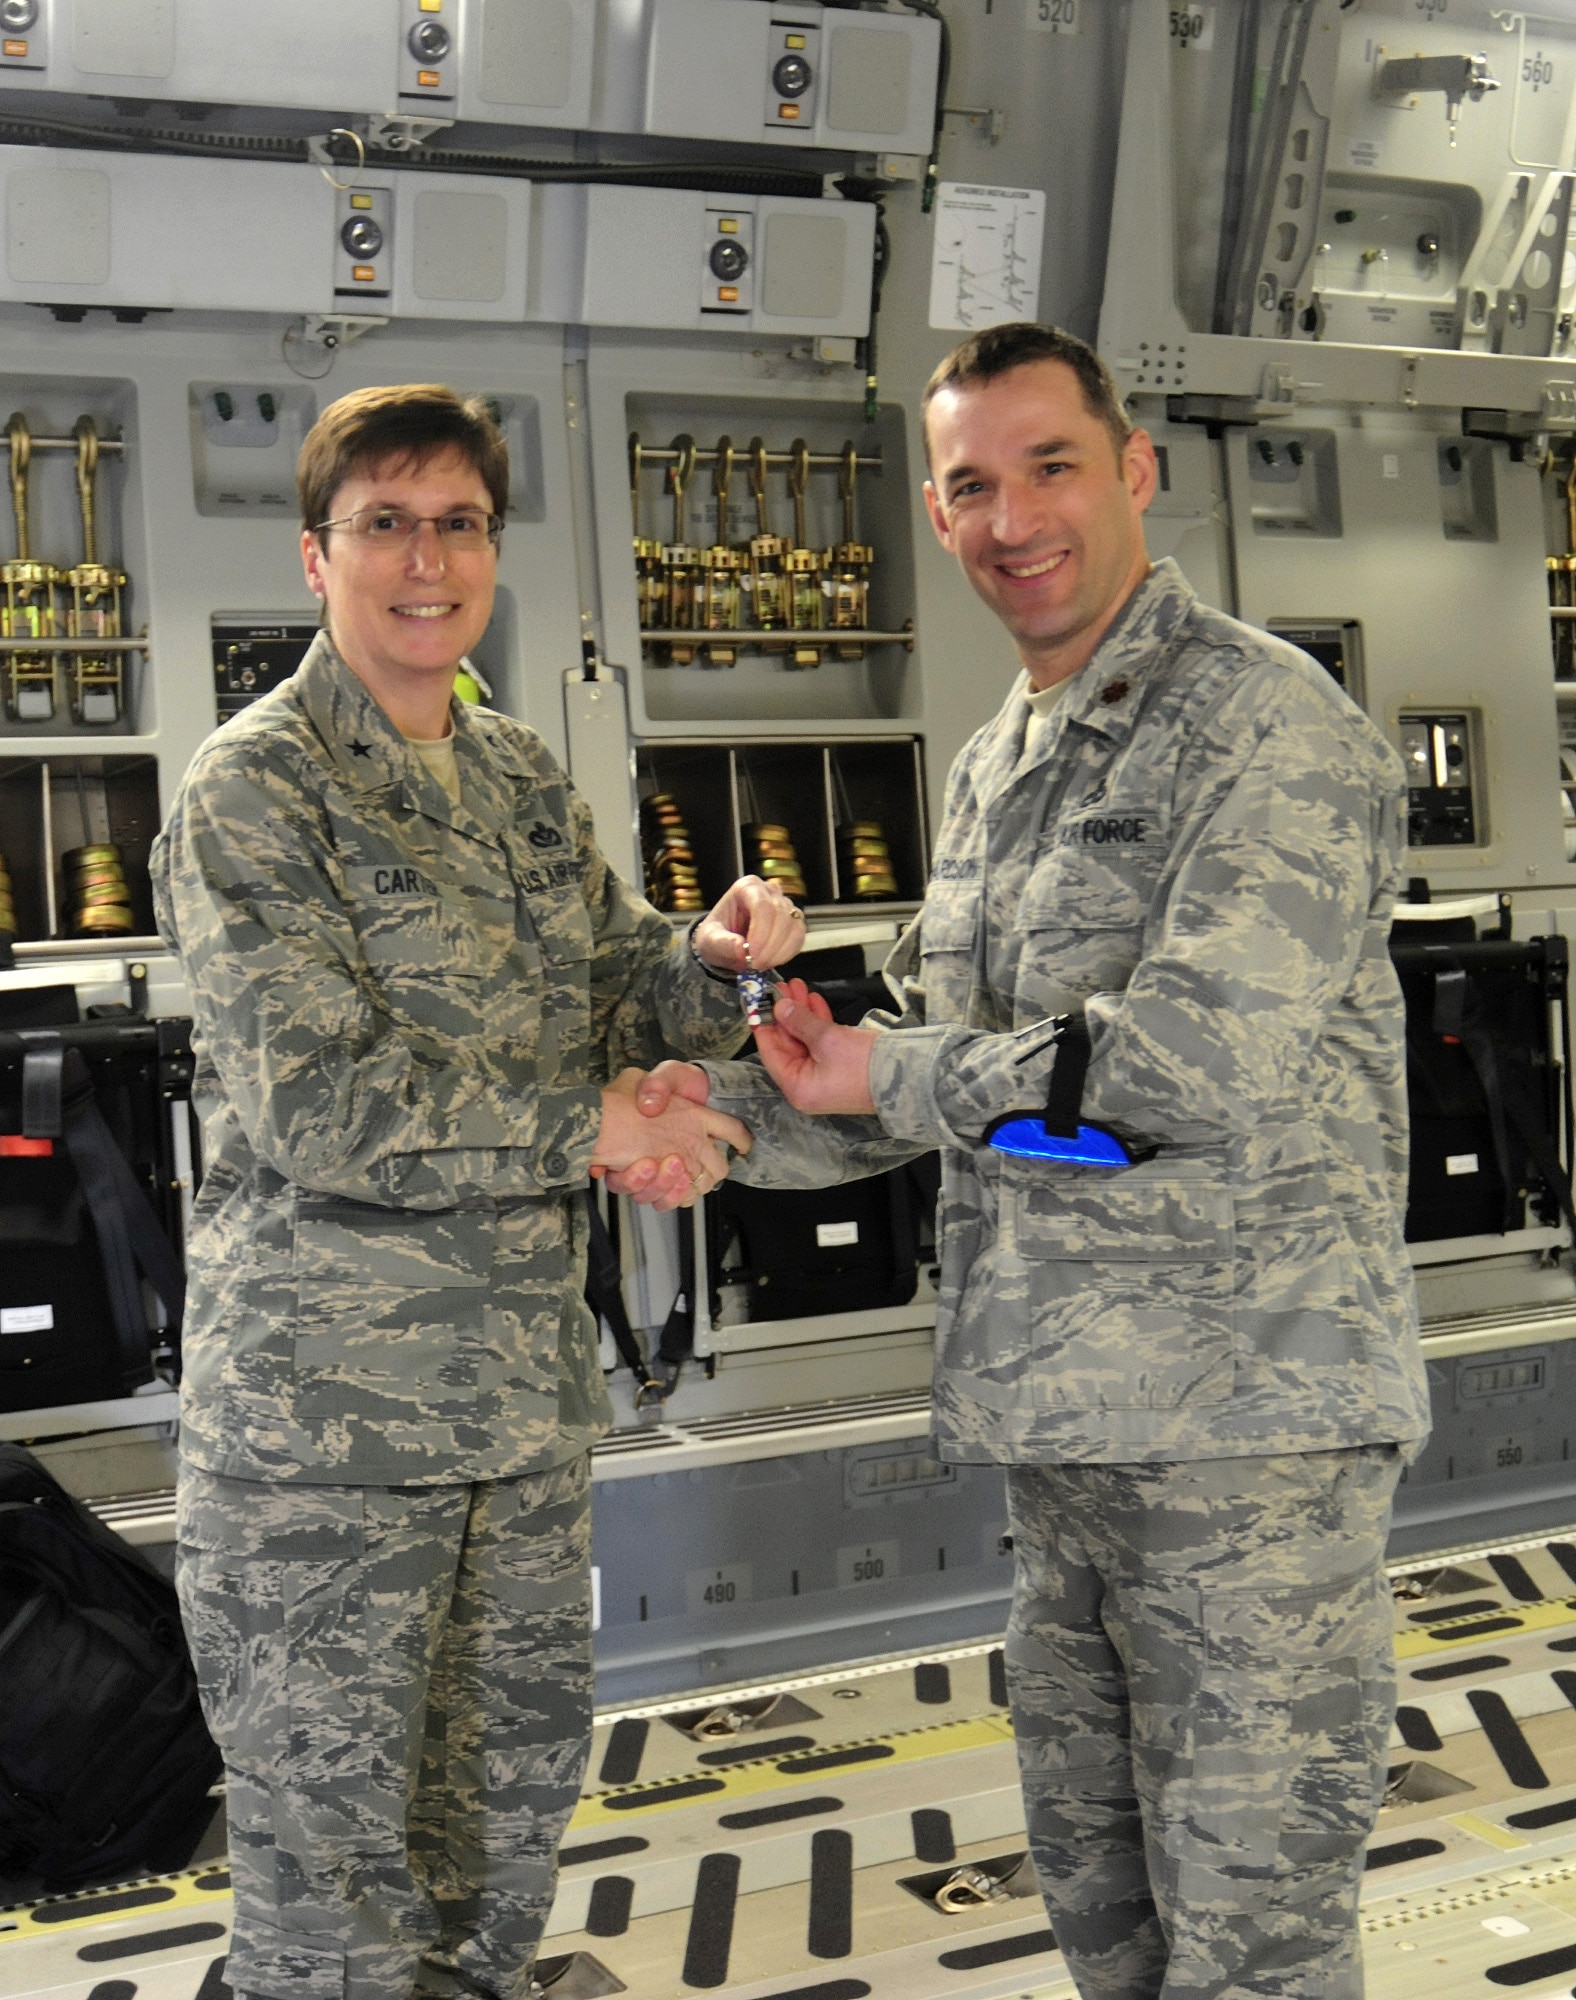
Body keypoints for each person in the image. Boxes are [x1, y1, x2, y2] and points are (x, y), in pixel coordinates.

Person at [628, 323, 1432, 1998]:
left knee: (1255, 1949)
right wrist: (704, 1125)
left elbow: (1183, 1072)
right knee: (1111, 1925)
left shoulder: (1268, 729)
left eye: (1051, 466)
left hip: (1246, 1453)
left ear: (1134, 470)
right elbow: (932, 1057)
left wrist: (890, 1066)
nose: (1015, 518)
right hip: (1067, 1446)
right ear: (936, 512)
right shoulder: (1006, 758)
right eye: (973, 484)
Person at [151, 383, 804, 2000]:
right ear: (318, 558)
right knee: (336, 1887)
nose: (424, 559)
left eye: (456, 523)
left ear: (493, 554)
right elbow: (322, 1106)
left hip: (516, 1414)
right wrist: (590, 1125)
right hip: (327, 1448)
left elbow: (611, 981)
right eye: (385, 524)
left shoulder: (513, 772)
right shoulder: (255, 791)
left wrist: (710, 969)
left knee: (500, 1844)